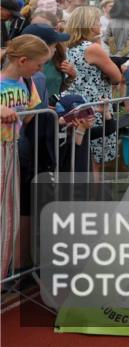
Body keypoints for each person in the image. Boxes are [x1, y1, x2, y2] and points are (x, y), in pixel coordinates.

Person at [0, 35, 48, 279]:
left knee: (9, 214)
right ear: (22, 60)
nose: (41, 70)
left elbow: (29, 115)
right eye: (38, 65)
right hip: (4, 150)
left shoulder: (27, 83)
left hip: (11, 150)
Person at [65, 6, 123, 172]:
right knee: (95, 162)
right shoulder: (92, 48)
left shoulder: (67, 46)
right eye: (98, 22)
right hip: (96, 108)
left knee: (80, 157)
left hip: (75, 106)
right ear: (90, 25)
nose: (100, 25)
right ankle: (93, 198)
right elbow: (117, 77)